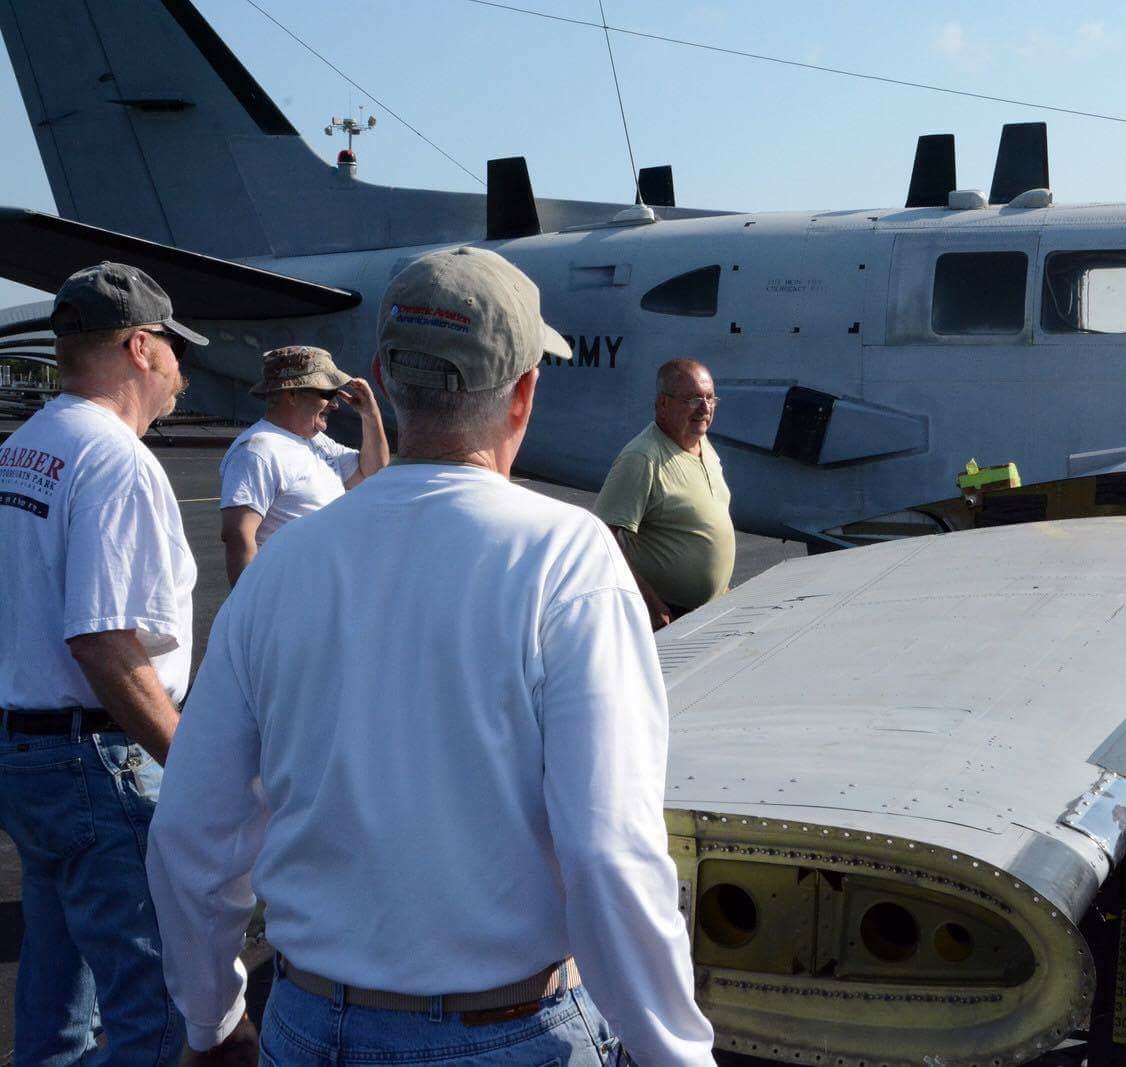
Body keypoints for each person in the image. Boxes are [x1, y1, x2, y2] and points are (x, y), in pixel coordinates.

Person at [146, 246, 716, 1065]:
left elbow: (192, 836)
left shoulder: (282, 571)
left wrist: (211, 1020)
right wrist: (675, 1053)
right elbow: (609, 849)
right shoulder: (566, 559)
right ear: (524, 392)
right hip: (508, 1031)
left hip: (308, 1023)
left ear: (384, 376)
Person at [0, 262, 218, 1064]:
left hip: (29, 755)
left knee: (57, 988)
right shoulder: (115, 459)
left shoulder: (27, 445)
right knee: (154, 1007)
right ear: (138, 347)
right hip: (99, 759)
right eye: (172, 350)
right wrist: (188, 759)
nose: (180, 372)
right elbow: (102, 638)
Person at [218, 345, 388, 585]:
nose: (335, 404)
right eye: (327, 393)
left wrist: (371, 415)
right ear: (292, 395)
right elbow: (238, 534)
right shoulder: (257, 450)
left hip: (322, 595)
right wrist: (249, 611)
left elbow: (372, 472)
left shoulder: (316, 441)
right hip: (287, 598)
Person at [594, 358, 735, 629]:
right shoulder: (642, 457)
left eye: (709, 398)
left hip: (709, 612)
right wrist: (649, 603)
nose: (704, 408)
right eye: (693, 399)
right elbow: (602, 540)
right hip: (668, 618)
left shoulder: (701, 442)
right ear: (663, 405)